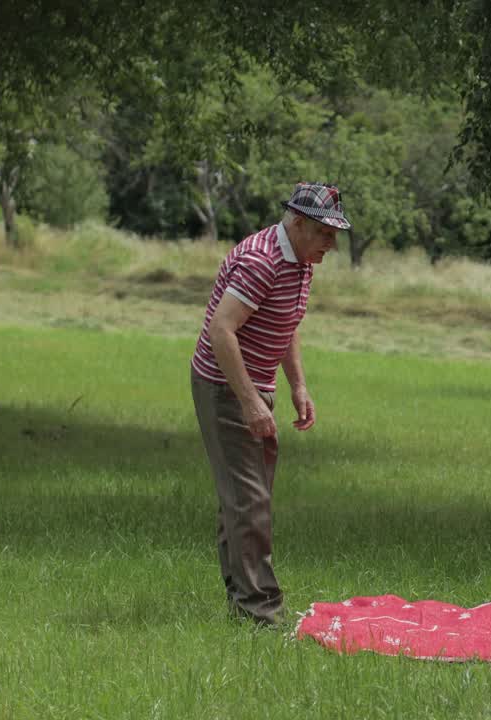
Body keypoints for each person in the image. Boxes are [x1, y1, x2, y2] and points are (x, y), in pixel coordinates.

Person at [189, 182, 350, 626]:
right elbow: (222, 330)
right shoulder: (261, 261)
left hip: (254, 385)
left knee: (245, 498)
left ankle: (244, 604)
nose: (332, 245)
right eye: (325, 234)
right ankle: (261, 613)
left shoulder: (300, 261)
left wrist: (297, 385)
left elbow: (285, 321)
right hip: (226, 386)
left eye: (335, 235)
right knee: (249, 500)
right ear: (297, 223)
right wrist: (250, 403)